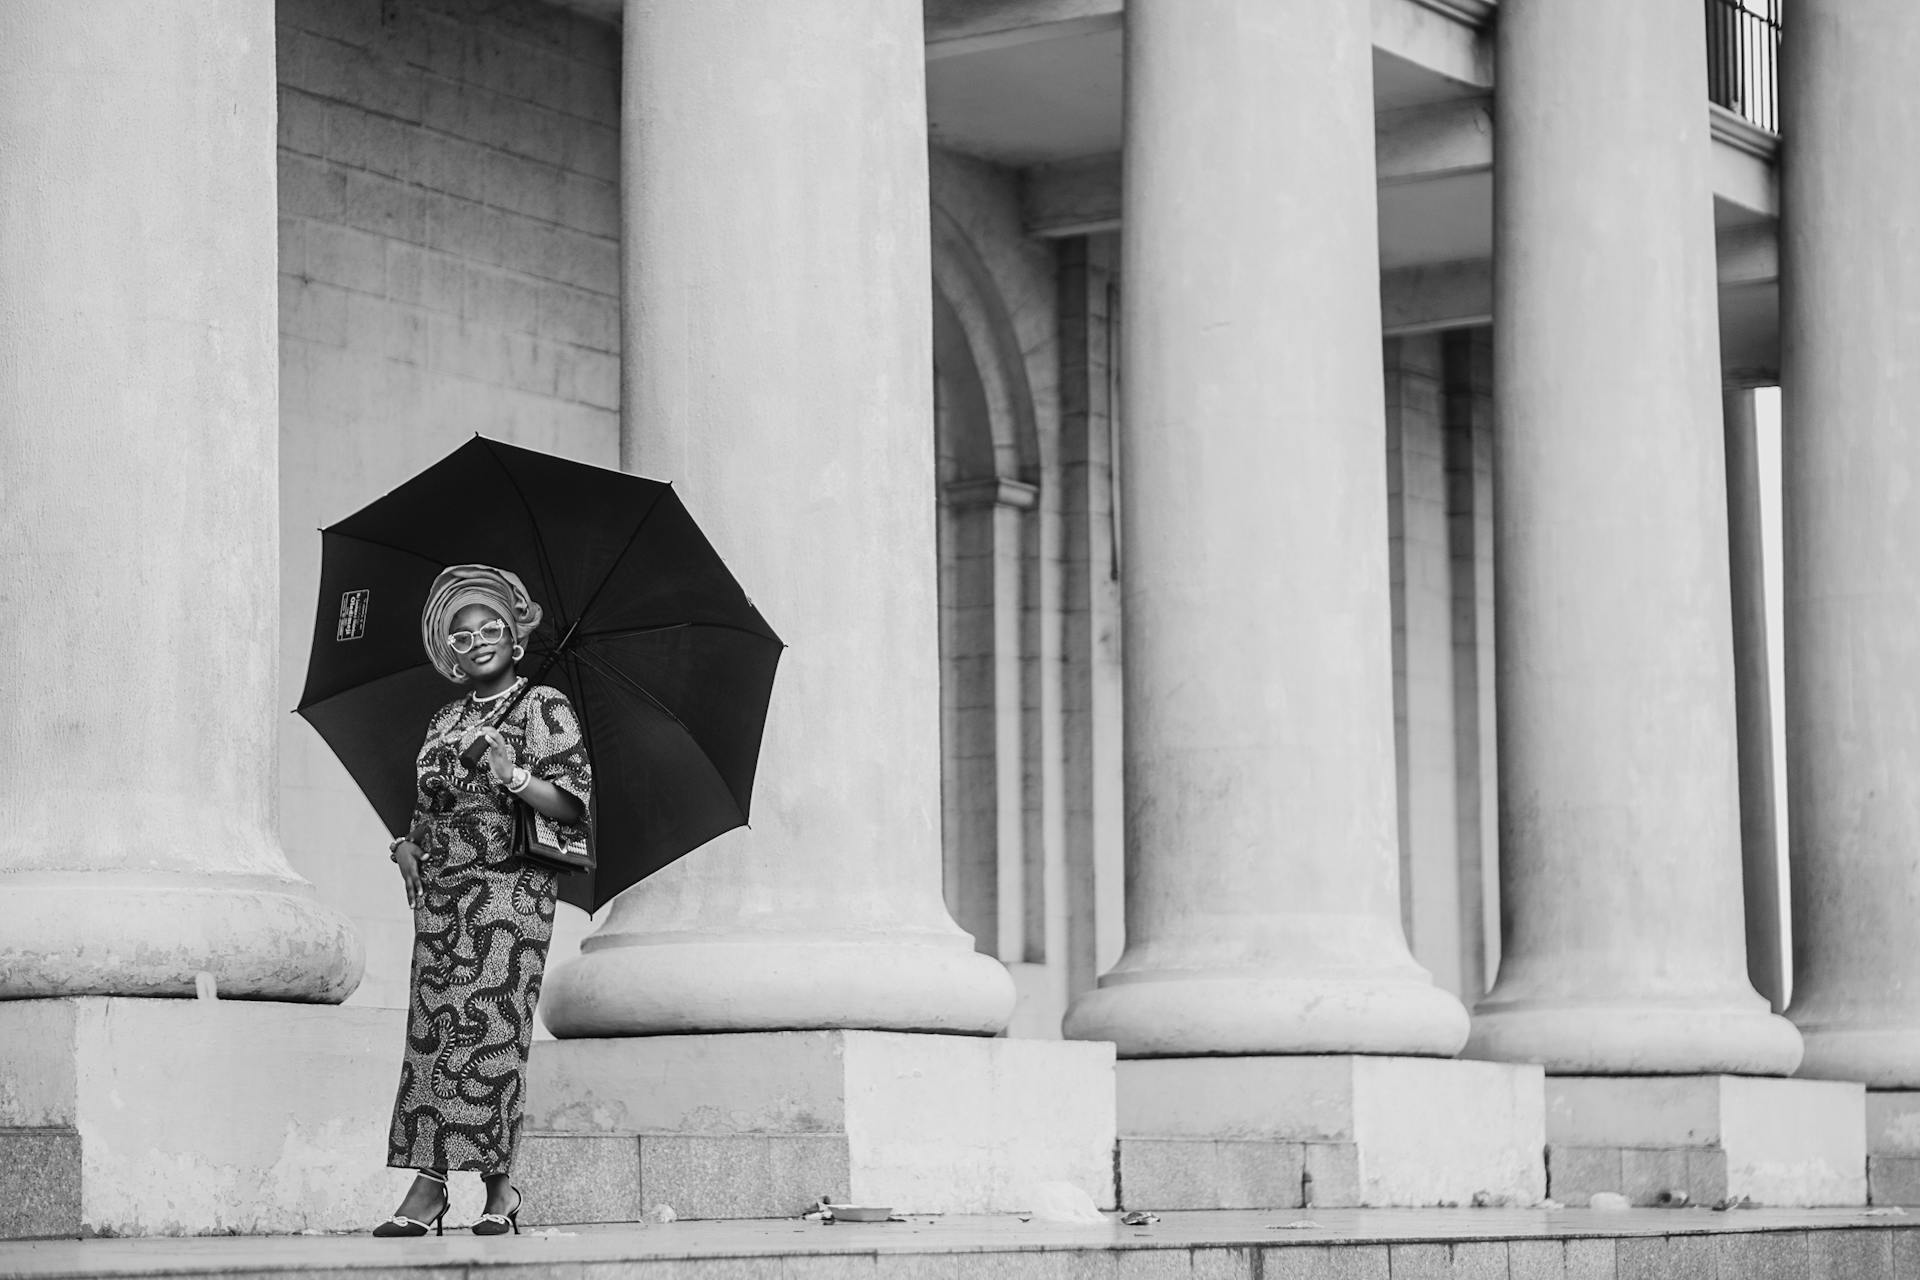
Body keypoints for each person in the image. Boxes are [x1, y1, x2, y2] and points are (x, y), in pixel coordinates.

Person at [372, 564, 592, 1238]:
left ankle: (465, 1187)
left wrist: (515, 773)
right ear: (449, 653)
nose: (477, 642)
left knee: (493, 1037)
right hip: (441, 897)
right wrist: (404, 846)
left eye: (489, 628)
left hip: (509, 895)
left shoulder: (543, 706)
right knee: (436, 1036)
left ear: (514, 636)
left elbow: (573, 805)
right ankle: (466, 1187)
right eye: (461, 636)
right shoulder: (445, 717)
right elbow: (425, 804)